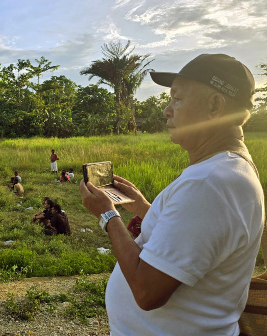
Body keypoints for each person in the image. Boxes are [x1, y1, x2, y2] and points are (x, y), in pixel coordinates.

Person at [79, 54, 264, 335]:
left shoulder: (209, 182)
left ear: (215, 105)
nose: (167, 110)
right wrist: (144, 208)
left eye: (177, 99)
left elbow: (146, 292)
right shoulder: (229, 169)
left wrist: (108, 215)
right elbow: (198, 237)